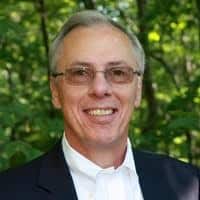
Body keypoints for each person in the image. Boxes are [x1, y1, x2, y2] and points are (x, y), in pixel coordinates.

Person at [0, 10, 199, 200]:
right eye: (80, 73)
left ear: (137, 90)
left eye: (118, 72)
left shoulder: (191, 184)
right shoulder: (7, 192)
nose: (100, 88)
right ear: (55, 91)